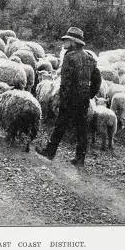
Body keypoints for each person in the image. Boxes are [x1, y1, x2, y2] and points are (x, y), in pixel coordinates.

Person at [36, 26, 102, 166]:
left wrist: (63, 99)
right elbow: (97, 79)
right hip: (83, 99)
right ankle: (80, 158)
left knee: (60, 125)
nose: (64, 43)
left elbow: (65, 82)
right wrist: (90, 94)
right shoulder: (89, 57)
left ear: (73, 42)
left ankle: (50, 151)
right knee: (81, 128)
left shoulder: (69, 57)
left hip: (70, 97)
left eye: (66, 40)